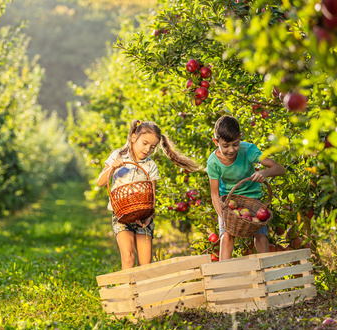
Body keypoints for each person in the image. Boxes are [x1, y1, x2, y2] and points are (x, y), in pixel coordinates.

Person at [97, 120, 200, 270]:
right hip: (121, 215)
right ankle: (129, 292)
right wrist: (112, 168)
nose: (148, 149)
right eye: (144, 143)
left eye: (152, 147)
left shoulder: (150, 166)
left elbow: (152, 195)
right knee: (128, 257)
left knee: (145, 263)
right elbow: (100, 182)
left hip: (143, 216)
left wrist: (149, 217)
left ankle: (142, 292)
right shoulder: (118, 155)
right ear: (133, 137)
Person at [207, 115, 285, 261]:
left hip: (252, 200)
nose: (231, 150)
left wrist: (264, 172)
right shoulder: (213, 162)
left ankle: (267, 274)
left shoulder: (248, 150)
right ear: (216, 142)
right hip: (228, 202)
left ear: (240, 137)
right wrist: (223, 216)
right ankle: (225, 276)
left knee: (261, 237)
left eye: (236, 144)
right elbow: (214, 194)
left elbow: (280, 168)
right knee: (226, 237)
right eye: (226, 146)